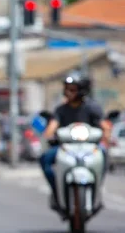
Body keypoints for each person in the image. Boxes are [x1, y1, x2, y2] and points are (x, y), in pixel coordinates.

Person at [40, 71, 112, 206]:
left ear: (81, 90)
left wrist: (105, 138)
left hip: (89, 147)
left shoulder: (92, 108)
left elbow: (104, 126)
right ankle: (57, 190)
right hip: (66, 147)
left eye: (72, 89)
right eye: (66, 89)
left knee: (103, 155)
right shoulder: (61, 109)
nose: (68, 92)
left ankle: (96, 189)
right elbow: (52, 127)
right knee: (45, 159)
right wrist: (49, 135)